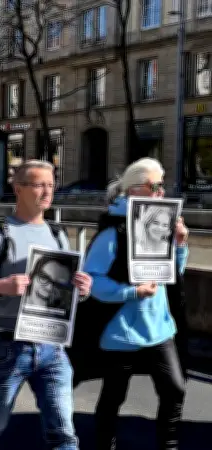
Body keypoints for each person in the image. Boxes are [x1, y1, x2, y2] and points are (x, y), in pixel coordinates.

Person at [0, 160, 92, 450]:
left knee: (64, 432)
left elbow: (63, 291)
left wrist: (81, 290)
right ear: (18, 189)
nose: (47, 191)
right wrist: (0, 287)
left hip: (51, 346)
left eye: (51, 184)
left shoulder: (57, 234)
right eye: (38, 184)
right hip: (6, 347)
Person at [81, 157, 188, 450]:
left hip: (159, 327)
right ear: (135, 190)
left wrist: (180, 245)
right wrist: (131, 292)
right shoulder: (113, 232)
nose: (162, 192)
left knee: (175, 390)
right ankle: (105, 445)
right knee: (114, 395)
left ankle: (168, 446)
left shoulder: (160, 222)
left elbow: (172, 275)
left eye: (163, 186)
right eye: (156, 186)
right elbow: (92, 281)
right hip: (121, 330)